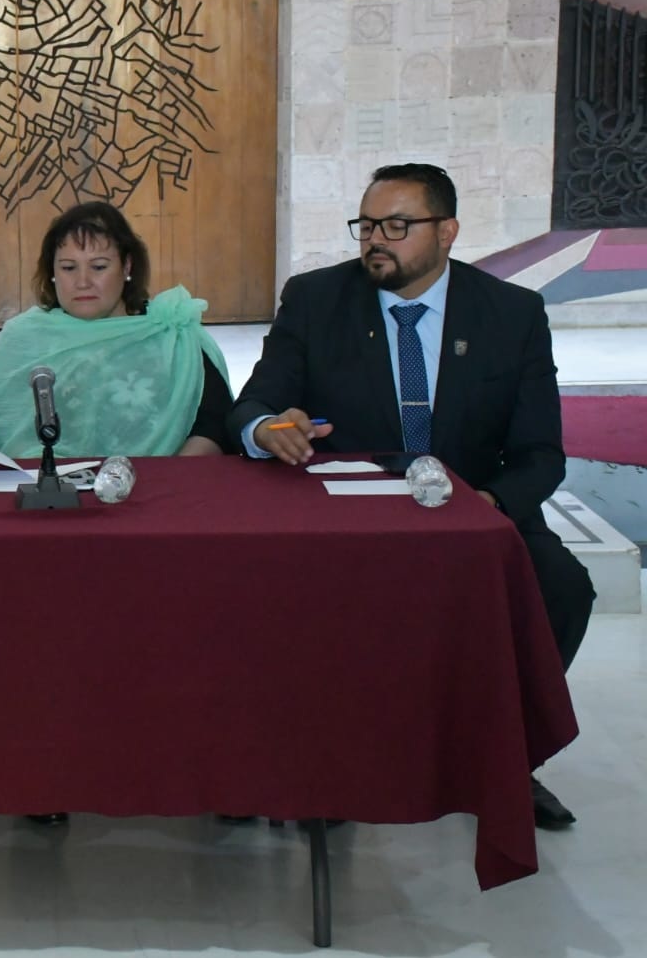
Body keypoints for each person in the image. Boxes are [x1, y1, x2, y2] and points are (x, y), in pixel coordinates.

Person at [228, 162, 595, 830]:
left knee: (563, 587)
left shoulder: (511, 314)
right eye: (367, 225)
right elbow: (254, 403)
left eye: (397, 226)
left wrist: (488, 506)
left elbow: (541, 453)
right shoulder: (315, 300)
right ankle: (330, 763)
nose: (376, 240)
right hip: (348, 516)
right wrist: (267, 429)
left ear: (447, 231)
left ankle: (507, 757)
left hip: (476, 508)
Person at [0, 201, 231, 457]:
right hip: (42, 479)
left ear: (127, 266)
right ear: (52, 272)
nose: (83, 282)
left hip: (164, 479)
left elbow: (213, 427)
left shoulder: (172, 333)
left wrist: (167, 475)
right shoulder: (24, 338)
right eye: (68, 268)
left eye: (98, 267)